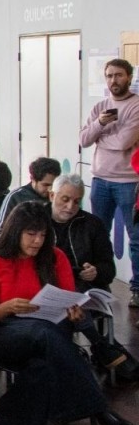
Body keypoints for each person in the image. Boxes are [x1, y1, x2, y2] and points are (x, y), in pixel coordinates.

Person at [0, 202, 134, 425]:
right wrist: (7, 307)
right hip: (0, 332)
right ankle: (99, 408)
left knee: (43, 367)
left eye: (42, 235)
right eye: (31, 234)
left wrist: (73, 311)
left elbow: (67, 299)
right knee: (45, 334)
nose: (37, 241)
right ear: (16, 232)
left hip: (47, 333)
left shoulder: (55, 257)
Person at [46, 174, 134, 373]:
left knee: (72, 302)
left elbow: (108, 269)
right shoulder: (36, 221)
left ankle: (72, 361)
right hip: (44, 286)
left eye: (76, 201)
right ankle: (100, 345)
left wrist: (96, 272)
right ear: (52, 196)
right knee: (67, 304)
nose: (70, 207)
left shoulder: (92, 224)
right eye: (65, 199)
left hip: (83, 287)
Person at [81, 59, 139, 307]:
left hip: (128, 181)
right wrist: (100, 124)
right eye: (109, 76)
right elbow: (84, 139)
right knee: (96, 235)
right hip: (100, 181)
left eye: (118, 75)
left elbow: (125, 142)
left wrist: (100, 138)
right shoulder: (100, 107)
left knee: (135, 237)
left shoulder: (136, 106)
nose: (113, 80)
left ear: (129, 77)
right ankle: (97, 284)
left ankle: (136, 289)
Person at [0, 157, 61, 228]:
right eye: (45, 185)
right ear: (33, 179)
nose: (50, 189)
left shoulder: (59, 196)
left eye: (54, 184)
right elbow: (1, 228)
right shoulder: (16, 196)